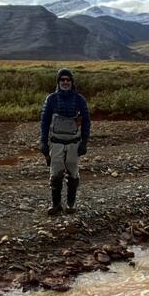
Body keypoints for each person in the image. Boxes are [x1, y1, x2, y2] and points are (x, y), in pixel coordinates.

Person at [39, 68, 90, 214]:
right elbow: (44, 122)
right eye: (62, 79)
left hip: (74, 143)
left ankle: (71, 204)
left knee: (73, 175)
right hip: (56, 143)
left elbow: (86, 122)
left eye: (68, 79)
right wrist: (43, 142)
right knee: (55, 175)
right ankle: (56, 205)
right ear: (58, 82)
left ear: (72, 82)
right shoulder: (51, 99)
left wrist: (84, 142)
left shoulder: (80, 99)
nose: (65, 82)